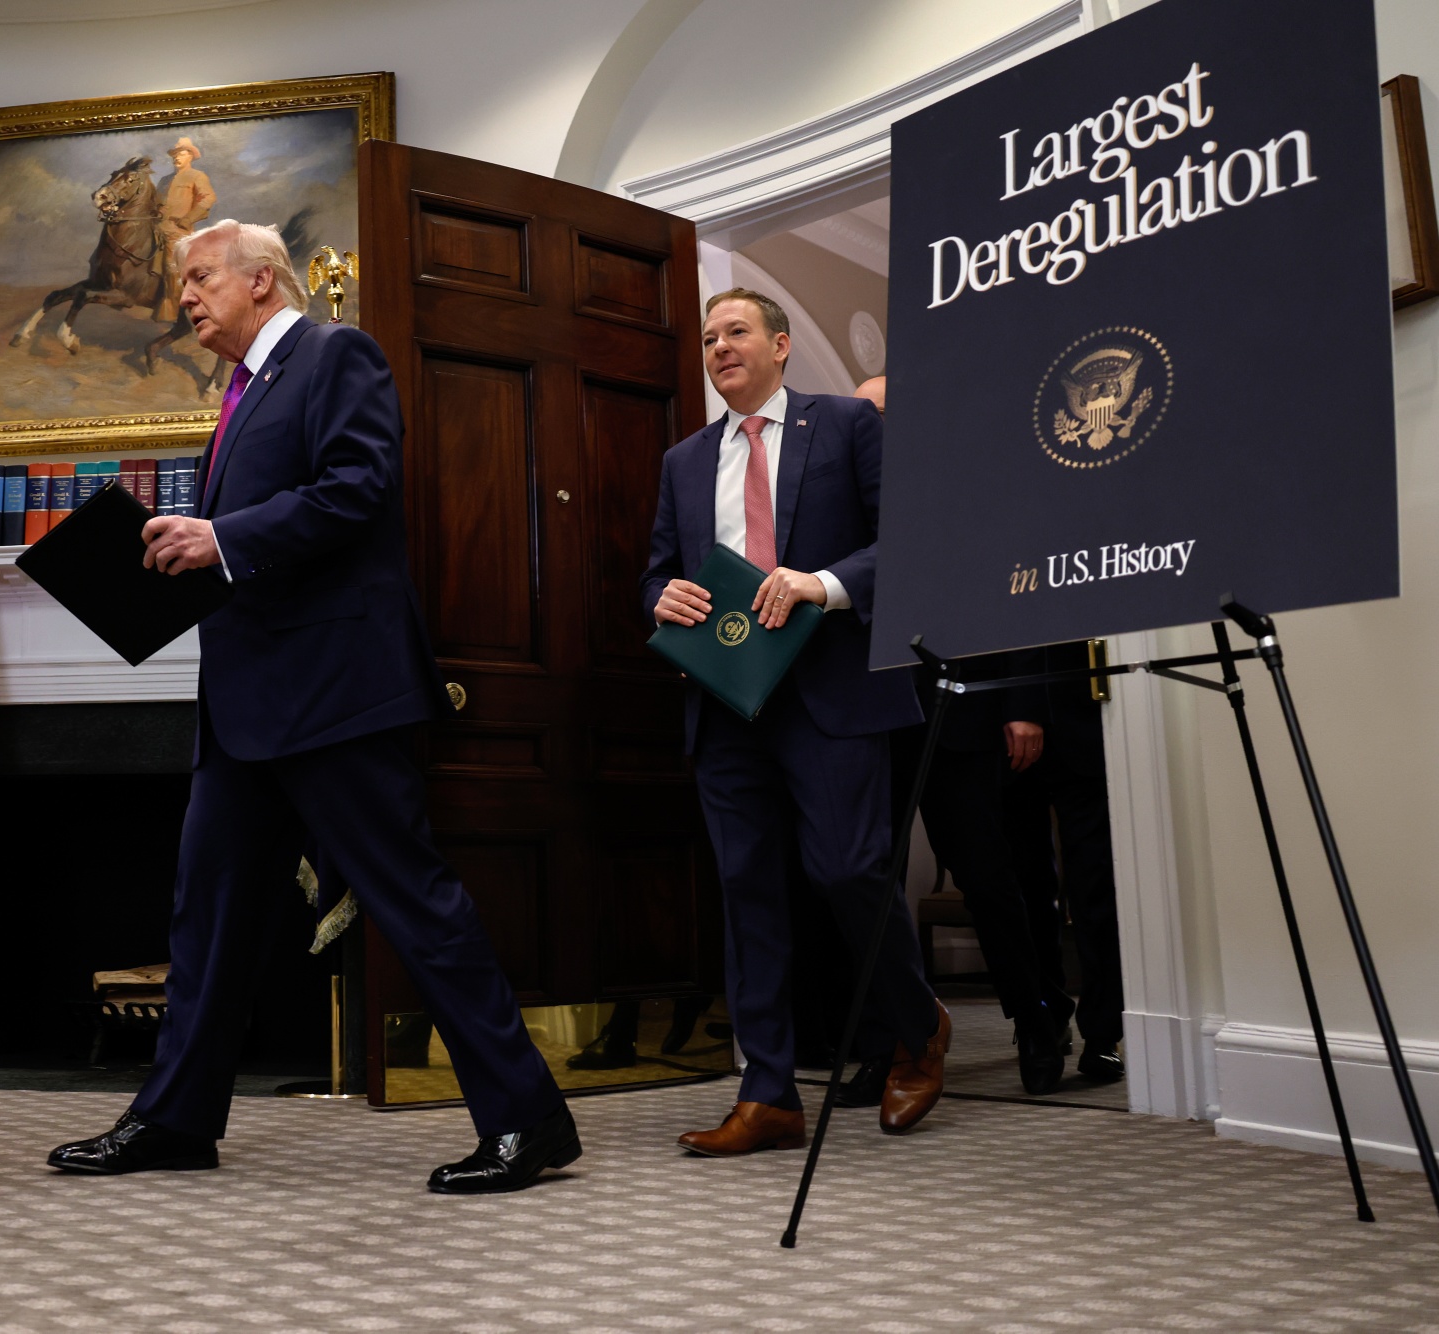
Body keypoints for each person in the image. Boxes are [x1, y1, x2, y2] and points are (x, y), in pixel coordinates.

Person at [46, 220, 579, 1193]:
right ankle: (174, 1117)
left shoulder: (336, 352)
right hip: (246, 700)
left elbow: (358, 490)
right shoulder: (239, 390)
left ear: (261, 279)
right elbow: (258, 533)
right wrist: (182, 554)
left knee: (413, 904)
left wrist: (218, 539)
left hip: (334, 693)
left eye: (200, 277)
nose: (185, 299)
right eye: (181, 283)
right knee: (203, 913)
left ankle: (527, 1116)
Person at [642, 288, 949, 1156]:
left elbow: (910, 539)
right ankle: (768, 1093)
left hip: (833, 691)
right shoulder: (683, 461)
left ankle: (917, 1026)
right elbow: (657, 572)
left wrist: (825, 584)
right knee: (748, 895)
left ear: (781, 344)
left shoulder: (848, 427)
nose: (718, 347)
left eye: (735, 332)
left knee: (849, 869)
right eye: (707, 338)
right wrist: (659, 595)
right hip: (729, 699)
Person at [892, 652, 1072, 1096]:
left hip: (961, 706)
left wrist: (1024, 706)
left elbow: (1009, 597)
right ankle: (889, 1046)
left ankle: (1035, 1021)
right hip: (873, 716)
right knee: (870, 883)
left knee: (987, 880)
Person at [1004, 641, 1125, 1081]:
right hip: (1001, 717)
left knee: (1093, 883)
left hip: (1083, 704)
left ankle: (1103, 1033)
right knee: (1025, 885)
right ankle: (1045, 1018)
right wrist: (1023, 705)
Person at [152, 136, 216, 323]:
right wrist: (156, 210)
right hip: (156, 229)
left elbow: (207, 199)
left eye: (181, 153)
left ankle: (172, 311)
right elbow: (155, 203)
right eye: (174, 154)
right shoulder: (164, 180)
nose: (176, 157)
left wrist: (188, 219)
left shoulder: (197, 176)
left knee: (171, 270)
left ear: (190, 156)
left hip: (177, 233)